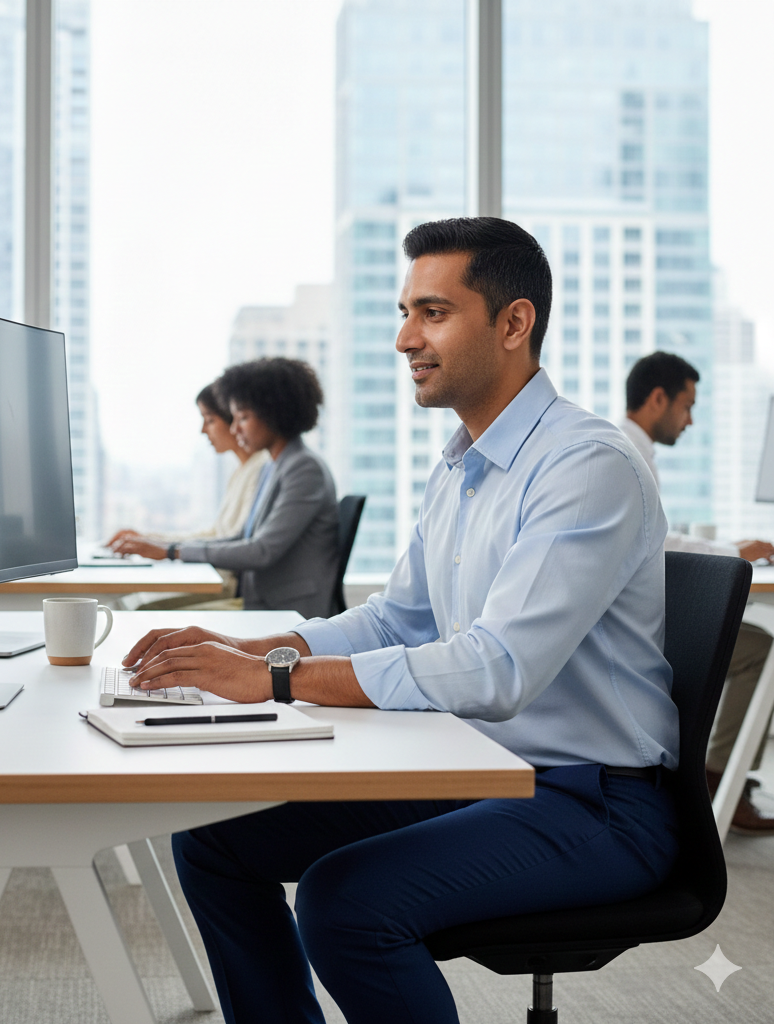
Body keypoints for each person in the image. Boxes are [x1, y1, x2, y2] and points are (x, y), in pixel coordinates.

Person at [118, 218, 680, 1024]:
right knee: (214, 837)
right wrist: (252, 650)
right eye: (403, 311)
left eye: (433, 312)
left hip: (594, 802)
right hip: (480, 772)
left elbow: (496, 668)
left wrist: (277, 678)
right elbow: (395, 621)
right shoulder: (460, 465)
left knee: (345, 900)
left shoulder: (585, 465)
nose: (404, 337)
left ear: (514, 323)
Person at [622, 351, 774, 834]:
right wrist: (733, 550)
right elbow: (658, 540)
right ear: (658, 398)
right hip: (639, 629)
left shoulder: (632, 449)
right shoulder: (625, 452)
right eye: (687, 405)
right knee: (759, 650)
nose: (689, 420)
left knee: (752, 644)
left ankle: (718, 774)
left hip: (639, 616)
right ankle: (717, 777)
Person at [114, 357, 339, 620]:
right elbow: (241, 538)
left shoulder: (304, 469)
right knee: (144, 614)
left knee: (147, 618)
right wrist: (170, 548)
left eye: (243, 417)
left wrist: (171, 551)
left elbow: (262, 551)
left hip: (284, 610)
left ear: (274, 413)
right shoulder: (274, 467)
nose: (234, 428)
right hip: (260, 602)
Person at [107, 381, 269, 604]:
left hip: (226, 582)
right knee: (131, 600)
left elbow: (229, 541)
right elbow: (215, 533)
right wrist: (150, 539)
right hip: (215, 574)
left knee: (136, 603)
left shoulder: (261, 469)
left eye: (210, 420)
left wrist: (165, 548)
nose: (204, 430)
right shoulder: (242, 470)